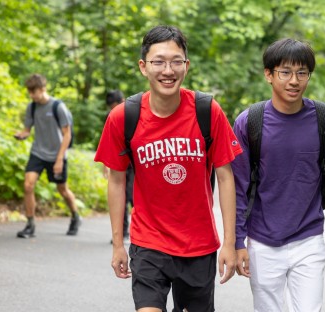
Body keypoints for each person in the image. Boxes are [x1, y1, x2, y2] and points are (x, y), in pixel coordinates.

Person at [94, 25, 241, 311]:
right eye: (158, 62)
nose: (167, 70)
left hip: (198, 245)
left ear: (186, 65)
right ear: (143, 67)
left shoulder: (207, 111)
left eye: (175, 61)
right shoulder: (124, 116)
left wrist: (230, 243)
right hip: (148, 242)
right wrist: (117, 245)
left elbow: (225, 178)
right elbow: (116, 181)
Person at [231, 38, 325, 312]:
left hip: (308, 238)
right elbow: (238, 188)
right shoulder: (249, 122)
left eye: (302, 73)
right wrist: (237, 241)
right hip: (262, 241)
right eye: (285, 72)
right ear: (269, 74)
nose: (294, 80)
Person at [14, 74, 81, 238]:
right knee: (28, 185)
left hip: (57, 154)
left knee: (62, 190)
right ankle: (30, 225)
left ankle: (75, 216)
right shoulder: (32, 107)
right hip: (38, 152)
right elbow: (27, 130)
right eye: (29, 92)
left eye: (34, 92)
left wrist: (59, 160)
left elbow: (67, 135)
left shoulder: (58, 107)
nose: (31, 95)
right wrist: (21, 134)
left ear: (43, 89)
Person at [103, 90, 133, 244]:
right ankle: (123, 233)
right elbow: (107, 143)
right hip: (121, 164)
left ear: (122, 100)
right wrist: (105, 165)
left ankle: (143, 232)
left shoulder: (134, 113)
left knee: (134, 197)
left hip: (136, 164)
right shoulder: (113, 117)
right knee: (123, 197)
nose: (113, 109)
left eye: (116, 106)